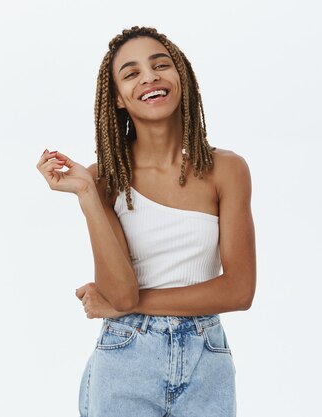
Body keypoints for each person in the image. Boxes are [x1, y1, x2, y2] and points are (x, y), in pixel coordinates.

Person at [36, 26, 255, 417]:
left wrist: (131, 304)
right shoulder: (104, 179)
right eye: (131, 73)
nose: (150, 77)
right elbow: (120, 295)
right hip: (126, 357)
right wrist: (86, 194)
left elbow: (239, 291)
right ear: (118, 98)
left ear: (181, 78)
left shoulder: (227, 169)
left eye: (160, 65)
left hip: (208, 359)